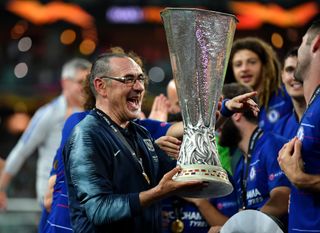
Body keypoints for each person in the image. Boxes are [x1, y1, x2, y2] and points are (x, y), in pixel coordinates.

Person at [62, 51, 207, 233]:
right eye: (128, 79)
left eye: (140, 79)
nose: (139, 87)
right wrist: (159, 192)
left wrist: (210, 124)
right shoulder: (87, 135)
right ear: (101, 86)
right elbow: (98, 210)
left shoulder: (140, 134)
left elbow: (179, 174)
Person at [0, 58, 91, 210]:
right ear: (65, 83)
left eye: (88, 83)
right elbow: (22, 150)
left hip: (82, 196)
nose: (85, 88)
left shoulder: (92, 114)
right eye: (80, 81)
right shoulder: (49, 113)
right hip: (53, 197)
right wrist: (1, 187)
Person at [207, 83, 291, 233]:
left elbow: (282, 200)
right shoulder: (240, 163)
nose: (216, 125)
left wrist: (237, 227)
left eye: (220, 113)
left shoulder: (272, 145)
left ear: (236, 113)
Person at [278, 19, 320, 233]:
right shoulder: (314, 104)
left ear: (316, 44)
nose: (298, 50)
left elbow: (304, 179)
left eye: (303, 42)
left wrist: (302, 179)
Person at [229, 37, 293, 132]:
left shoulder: (287, 96)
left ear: (265, 65)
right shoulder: (229, 106)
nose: (244, 69)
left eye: (252, 62)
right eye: (238, 64)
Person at [273, 47, 306, 138]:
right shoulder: (279, 128)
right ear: (282, 76)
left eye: (301, 69)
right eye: (290, 70)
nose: (295, 76)